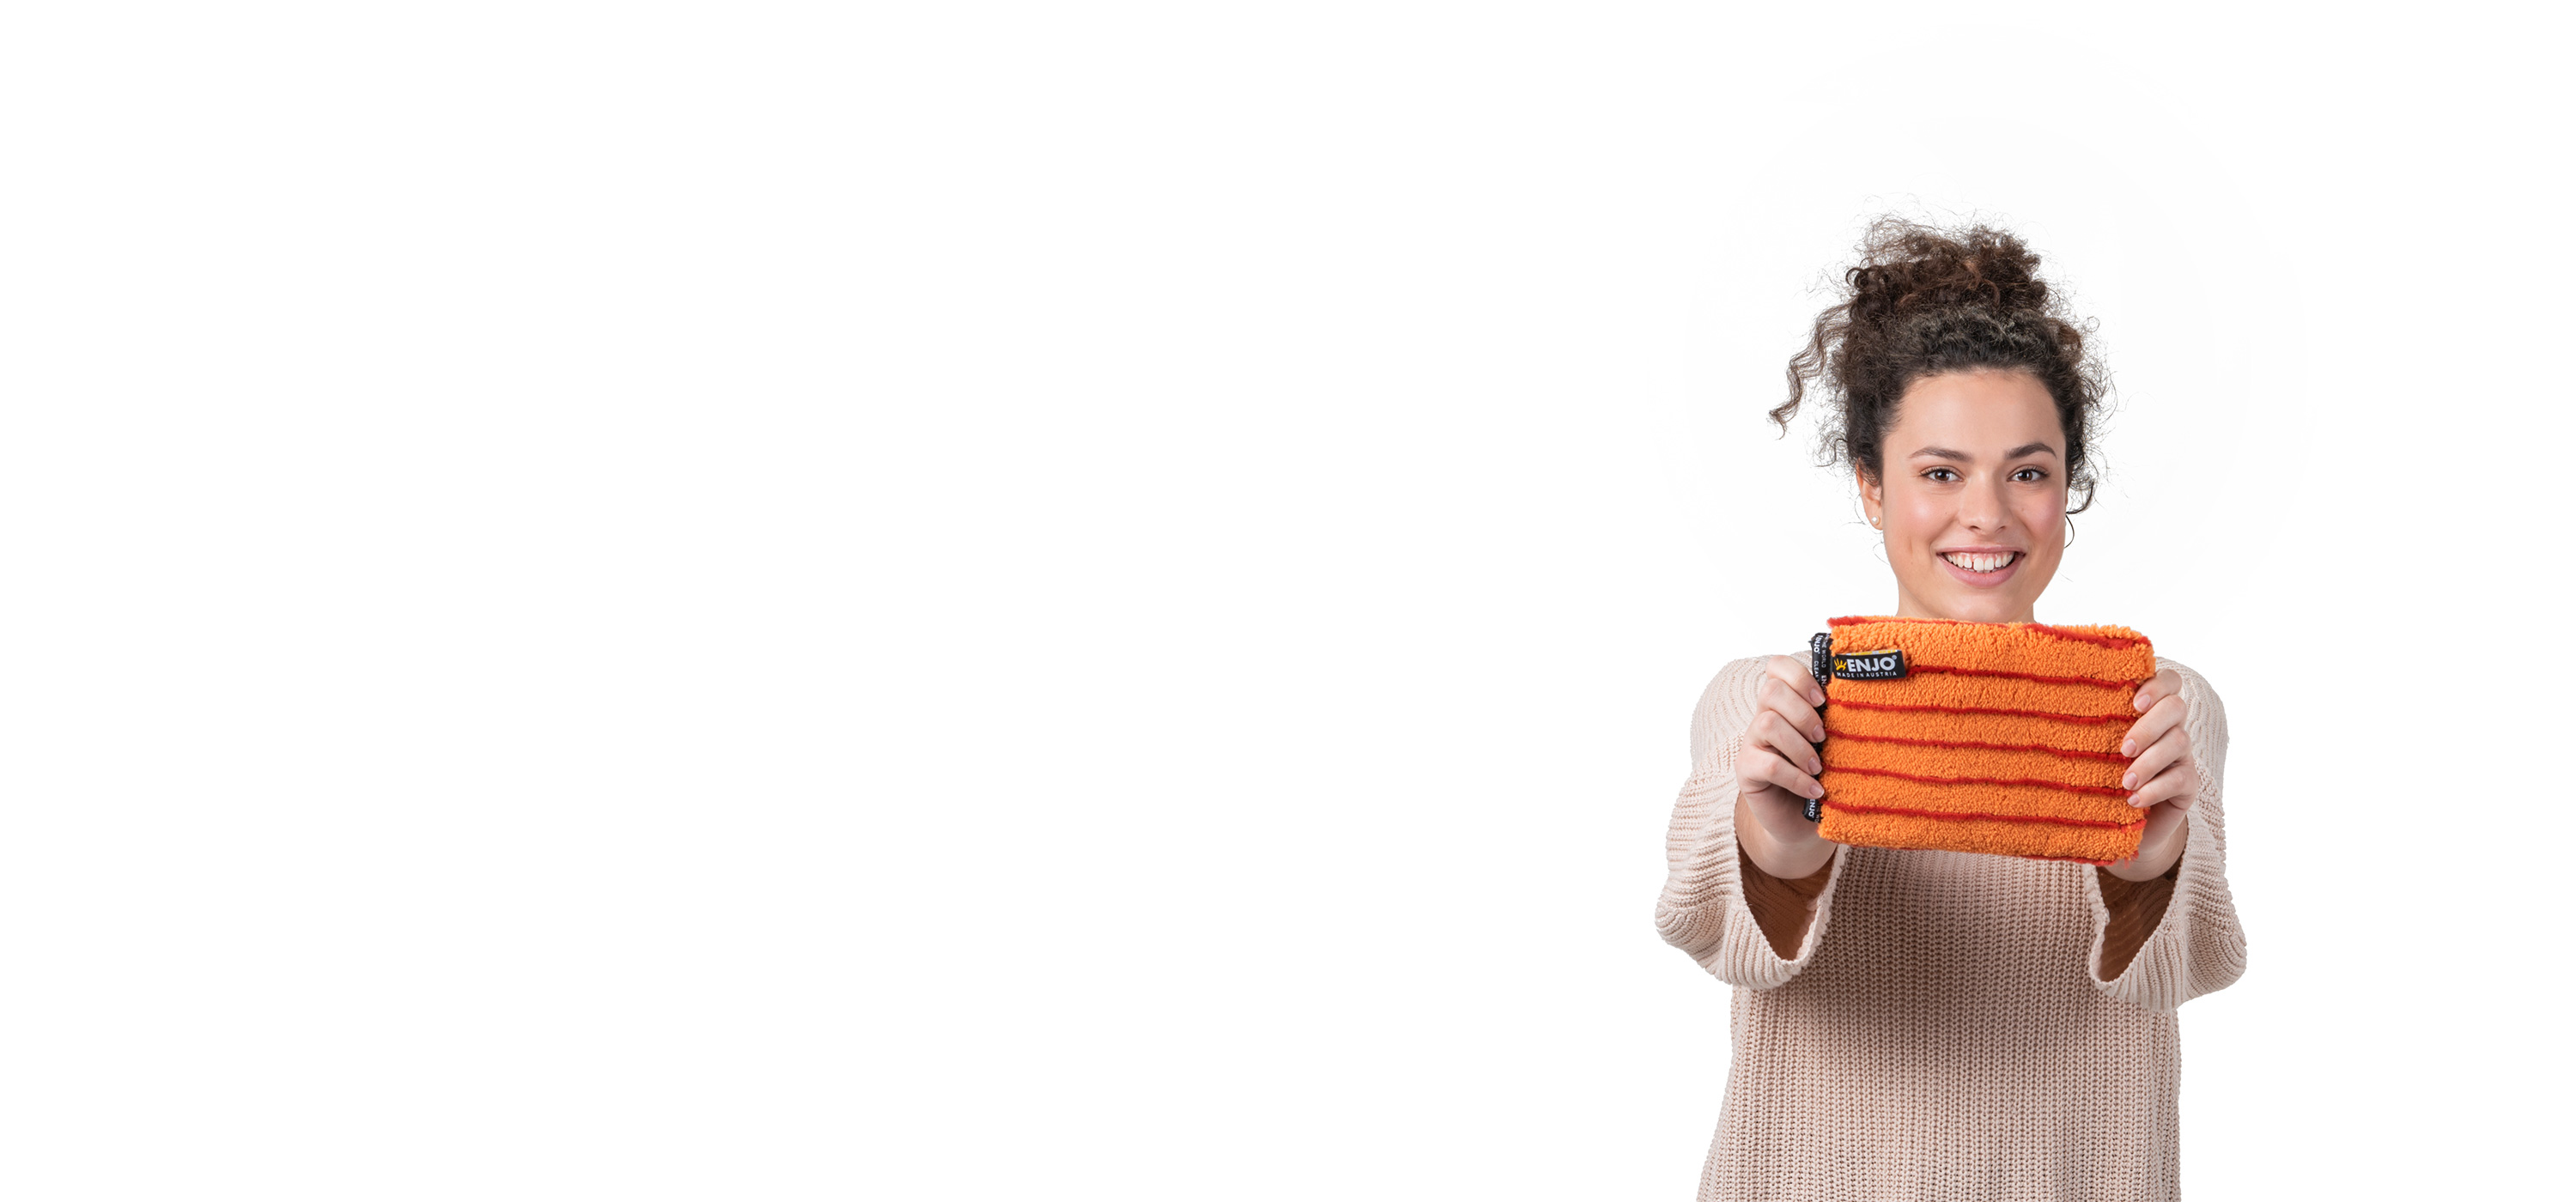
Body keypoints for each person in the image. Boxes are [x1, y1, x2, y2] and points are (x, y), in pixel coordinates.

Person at [1654, 220, 2246, 1200]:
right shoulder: (1770, 698)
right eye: (1939, 472)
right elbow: (1714, 928)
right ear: (1871, 488)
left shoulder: (2158, 707)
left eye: (2028, 471)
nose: (1987, 513)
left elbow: (2189, 962)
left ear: (2068, 489)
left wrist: (2151, 864)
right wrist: (1781, 844)